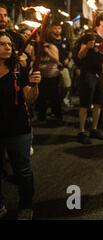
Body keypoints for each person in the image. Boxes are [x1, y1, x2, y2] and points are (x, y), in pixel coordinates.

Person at [0, 31, 41, 220]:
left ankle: (25, 204)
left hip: (18, 128)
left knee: (22, 169)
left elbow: (29, 99)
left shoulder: (17, 68)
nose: (7, 47)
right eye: (2, 44)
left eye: (9, 44)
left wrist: (34, 85)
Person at [76, 12, 103, 144]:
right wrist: (87, 48)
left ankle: (94, 129)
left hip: (99, 75)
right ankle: (81, 131)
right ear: (101, 22)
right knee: (85, 103)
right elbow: (80, 56)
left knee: (98, 103)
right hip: (88, 74)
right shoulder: (89, 36)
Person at [35, 31, 62, 125]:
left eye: (38, 36)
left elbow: (57, 60)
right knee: (42, 97)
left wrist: (48, 52)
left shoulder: (52, 47)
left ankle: (58, 116)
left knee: (54, 97)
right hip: (42, 76)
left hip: (52, 76)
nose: (37, 38)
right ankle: (41, 115)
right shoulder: (38, 48)